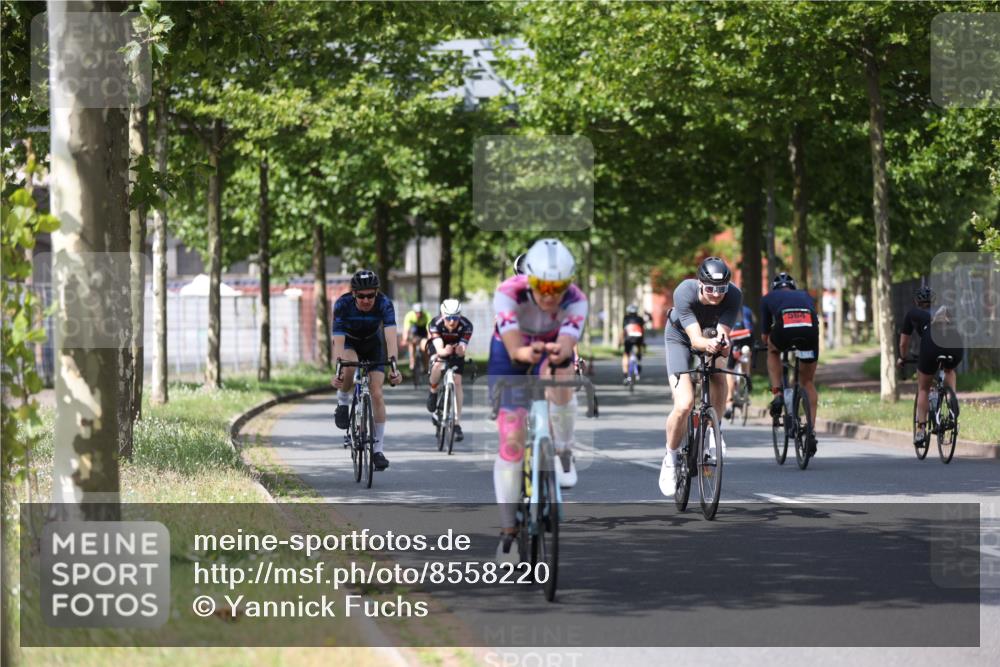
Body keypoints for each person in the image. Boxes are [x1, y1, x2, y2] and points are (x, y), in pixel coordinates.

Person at [488, 239, 587, 562]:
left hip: (550, 345)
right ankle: (508, 534)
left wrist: (557, 354)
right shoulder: (508, 292)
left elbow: (566, 345)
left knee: (562, 380)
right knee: (513, 441)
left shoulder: (576, 300)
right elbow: (516, 349)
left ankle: (563, 449)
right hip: (509, 349)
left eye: (557, 287)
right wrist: (524, 354)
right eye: (542, 286)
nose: (549, 295)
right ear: (529, 280)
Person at [659, 257, 741, 496]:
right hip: (681, 338)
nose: (716, 294)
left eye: (722, 289)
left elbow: (724, 334)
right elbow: (695, 340)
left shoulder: (734, 296)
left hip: (710, 335)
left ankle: (713, 432)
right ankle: (671, 458)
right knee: (684, 404)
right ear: (700, 284)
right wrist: (711, 344)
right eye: (711, 289)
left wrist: (722, 344)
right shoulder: (684, 291)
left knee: (719, 375)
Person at [332, 269, 402, 471]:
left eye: (371, 295)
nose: (366, 300)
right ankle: (343, 401)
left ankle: (378, 450)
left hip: (374, 344)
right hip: (349, 344)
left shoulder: (384, 303)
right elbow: (338, 340)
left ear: (376, 293)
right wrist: (338, 369)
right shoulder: (342, 304)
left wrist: (394, 367)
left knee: (377, 393)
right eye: (361, 296)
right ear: (353, 294)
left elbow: (390, 335)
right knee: (349, 365)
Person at [760, 272, 820, 455]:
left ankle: (777, 393)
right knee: (807, 382)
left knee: (772, 349)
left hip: (784, 331)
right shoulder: (805, 294)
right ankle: (810, 431)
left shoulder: (767, 298)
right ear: (793, 288)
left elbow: (764, 335)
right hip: (809, 331)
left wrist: (766, 341)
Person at [897, 286, 963, 445]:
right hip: (955, 344)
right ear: (934, 301)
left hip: (931, 345)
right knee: (949, 369)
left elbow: (903, 343)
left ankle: (920, 430)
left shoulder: (912, 314)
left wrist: (903, 358)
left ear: (916, 302)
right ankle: (951, 399)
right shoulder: (945, 311)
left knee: (923, 388)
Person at [426, 298, 474, 441]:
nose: (452, 321)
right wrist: (443, 351)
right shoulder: (435, 324)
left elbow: (463, 347)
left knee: (457, 381)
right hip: (439, 346)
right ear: (442, 315)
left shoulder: (467, 325)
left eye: (455, 317)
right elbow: (439, 348)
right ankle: (433, 391)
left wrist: (460, 350)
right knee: (437, 364)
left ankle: (457, 423)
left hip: (455, 349)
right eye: (448, 318)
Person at [724, 302, 755, 419]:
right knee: (746, 359)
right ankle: (747, 377)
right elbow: (750, 330)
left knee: (729, 371)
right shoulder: (746, 309)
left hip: (731, 341)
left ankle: (729, 403)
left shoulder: (725, 309)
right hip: (746, 341)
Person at [401, 302, 430, 378]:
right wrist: (404, 339)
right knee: (411, 343)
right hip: (415, 331)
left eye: (420, 313)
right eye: (416, 313)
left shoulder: (427, 315)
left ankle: (426, 366)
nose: (418, 315)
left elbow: (429, 331)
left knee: (425, 347)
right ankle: (412, 363)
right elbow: (406, 329)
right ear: (414, 312)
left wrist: (429, 339)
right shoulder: (409, 315)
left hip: (423, 331)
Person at [621, 304, 647, 384]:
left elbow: (624, 331)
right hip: (638, 339)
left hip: (628, 339)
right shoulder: (640, 319)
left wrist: (620, 341)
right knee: (638, 349)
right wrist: (643, 342)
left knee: (626, 355)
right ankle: (638, 361)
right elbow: (642, 330)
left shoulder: (626, 318)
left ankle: (626, 376)